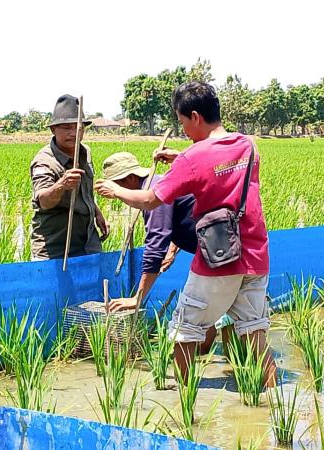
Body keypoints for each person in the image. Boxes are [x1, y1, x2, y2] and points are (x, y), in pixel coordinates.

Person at [95, 81, 277, 387]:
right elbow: (220, 163)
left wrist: (115, 190)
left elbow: (151, 199)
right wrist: (180, 158)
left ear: (194, 116)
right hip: (255, 254)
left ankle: (182, 401)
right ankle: (274, 404)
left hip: (220, 257)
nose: (183, 131)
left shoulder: (192, 158)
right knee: (254, 331)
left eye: (182, 123)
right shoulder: (247, 145)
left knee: (183, 329)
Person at [101, 151, 234, 352]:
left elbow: (155, 244)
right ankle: (233, 363)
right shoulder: (160, 181)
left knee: (187, 323)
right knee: (238, 319)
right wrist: (173, 249)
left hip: (218, 256)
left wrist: (138, 297)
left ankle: (188, 376)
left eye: (118, 190)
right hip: (228, 249)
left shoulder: (154, 192)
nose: (121, 199)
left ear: (129, 179)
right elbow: (188, 215)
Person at [30, 94, 108, 260]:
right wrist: (61, 185)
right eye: (66, 128)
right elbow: (43, 201)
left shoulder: (84, 152)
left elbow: (84, 191)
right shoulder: (45, 162)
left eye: (78, 127)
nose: (73, 133)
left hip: (87, 243)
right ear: (53, 129)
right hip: (56, 247)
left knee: (94, 284)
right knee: (52, 287)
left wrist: (96, 212)